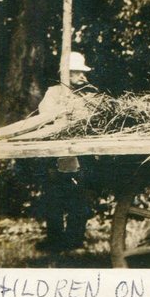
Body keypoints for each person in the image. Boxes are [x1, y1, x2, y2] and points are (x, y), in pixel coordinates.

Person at [37, 51, 96, 252]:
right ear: (66, 74)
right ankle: (54, 240)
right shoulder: (53, 94)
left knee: (79, 199)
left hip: (80, 155)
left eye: (82, 72)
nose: (82, 76)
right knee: (54, 199)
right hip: (56, 155)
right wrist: (61, 111)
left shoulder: (87, 96)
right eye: (77, 72)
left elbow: (91, 119)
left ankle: (75, 240)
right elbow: (45, 116)